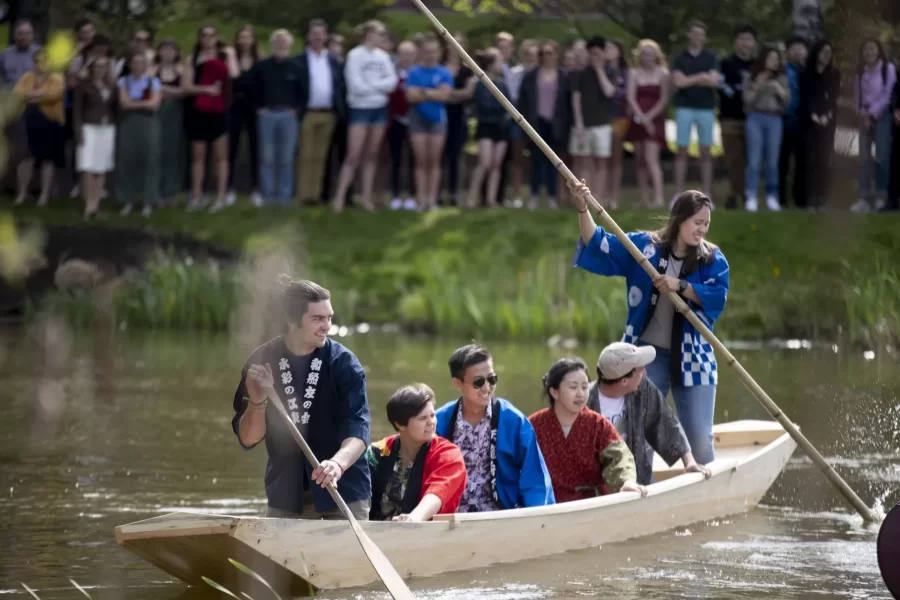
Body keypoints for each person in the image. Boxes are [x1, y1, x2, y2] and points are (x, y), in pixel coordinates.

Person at [569, 181, 729, 466]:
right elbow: (599, 243)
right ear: (679, 219)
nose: (702, 229)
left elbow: (717, 296)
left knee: (700, 443)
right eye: (697, 222)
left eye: (706, 224)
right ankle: (637, 485)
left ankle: (703, 487)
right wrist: (583, 207)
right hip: (645, 357)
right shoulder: (645, 247)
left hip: (693, 361)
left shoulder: (712, 259)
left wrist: (679, 285)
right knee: (635, 431)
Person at [232, 277, 372, 520]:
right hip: (286, 495)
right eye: (317, 319)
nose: (327, 326)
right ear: (290, 320)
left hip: (342, 492)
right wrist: (257, 402)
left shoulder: (344, 364)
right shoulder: (262, 361)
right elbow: (248, 439)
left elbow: (359, 431)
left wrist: (337, 465)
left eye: (329, 317)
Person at [435, 344, 555, 511]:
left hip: (500, 514)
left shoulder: (514, 421)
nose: (487, 387)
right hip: (450, 515)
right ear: (458, 384)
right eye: (478, 382)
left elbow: (534, 478)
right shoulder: (439, 420)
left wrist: (539, 517)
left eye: (491, 379)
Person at [587, 342, 712, 485]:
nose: (645, 372)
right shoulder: (584, 402)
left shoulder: (642, 389)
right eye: (640, 369)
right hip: (596, 485)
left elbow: (666, 421)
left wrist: (689, 462)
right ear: (624, 380)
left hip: (639, 480)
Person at [529, 357, 646, 502]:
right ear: (554, 392)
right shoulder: (533, 425)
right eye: (573, 387)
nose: (580, 394)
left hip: (591, 504)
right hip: (547, 504)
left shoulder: (598, 425)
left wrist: (626, 482)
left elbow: (619, 457)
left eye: (585, 387)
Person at [366, 383, 467, 521]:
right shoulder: (379, 450)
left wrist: (415, 517)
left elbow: (438, 492)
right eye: (423, 418)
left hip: (427, 536)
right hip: (376, 533)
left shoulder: (448, 454)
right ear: (400, 424)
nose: (431, 422)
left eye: (432, 415)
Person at [332, 20, 397, 213]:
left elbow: (392, 82)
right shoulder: (355, 55)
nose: (382, 37)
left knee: (372, 155)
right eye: (379, 33)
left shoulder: (384, 57)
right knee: (354, 155)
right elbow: (355, 86)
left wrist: (372, 86)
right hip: (360, 109)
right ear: (368, 34)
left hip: (379, 109)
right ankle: (339, 198)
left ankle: (367, 198)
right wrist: (378, 86)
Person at [182, 25, 238, 212]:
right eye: (204, 35)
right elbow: (186, 86)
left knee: (220, 157)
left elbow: (235, 75)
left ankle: (221, 197)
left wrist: (230, 55)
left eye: (211, 35)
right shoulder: (192, 59)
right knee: (198, 156)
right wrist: (206, 90)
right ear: (199, 38)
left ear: (216, 37)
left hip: (219, 111)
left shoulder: (223, 57)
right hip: (197, 111)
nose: (208, 39)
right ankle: (197, 197)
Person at [254, 29, 304, 206]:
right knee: (267, 158)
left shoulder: (296, 67)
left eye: (284, 43)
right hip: (267, 115)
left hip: (288, 116)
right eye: (277, 43)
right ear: (272, 45)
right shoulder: (262, 66)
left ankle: (284, 197)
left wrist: (296, 109)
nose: (281, 46)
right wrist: (258, 109)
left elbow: (303, 92)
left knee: (286, 158)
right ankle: (268, 196)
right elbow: (253, 90)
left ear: (289, 46)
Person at [517, 40, 570, 210]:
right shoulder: (531, 76)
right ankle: (533, 196)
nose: (547, 57)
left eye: (550, 53)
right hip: (536, 123)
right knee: (536, 161)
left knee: (554, 163)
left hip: (556, 124)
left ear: (556, 54)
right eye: (543, 53)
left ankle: (552, 197)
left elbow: (568, 103)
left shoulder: (563, 76)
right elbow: (523, 101)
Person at [671, 20, 718, 203]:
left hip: (706, 108)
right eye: (694, 33)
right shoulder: (679, 58)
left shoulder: (711, 57)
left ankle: (707, 193)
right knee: (681, 150)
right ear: (688, 35)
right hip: (684, 107)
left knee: (705, 151)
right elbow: (678, 83)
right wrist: (701, 77)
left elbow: (714, 81)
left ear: (704, 37)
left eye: (701, 34)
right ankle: (678, 194)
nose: (697, 37)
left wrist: (688, 79)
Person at [405, 35, 453, 211]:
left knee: (434, 161)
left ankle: (432, 200)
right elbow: (410, 95)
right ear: (422, 53)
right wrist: (433, 92)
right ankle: (421, 199)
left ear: (439, 53)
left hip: (438, 120)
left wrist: (423, 92)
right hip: (417, 119)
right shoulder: (414, 72)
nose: (431, 55)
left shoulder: (444, 73)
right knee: (420, 160)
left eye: (434, 51)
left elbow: (444, 96)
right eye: (427, 51)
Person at [13, 48, 64, 208]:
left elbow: (54, 94)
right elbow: (18, 94)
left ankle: (44, 195)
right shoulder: (27, 76)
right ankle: (22, 194)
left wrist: (32, 95)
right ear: (34, 62)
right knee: (26, 158)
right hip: (29, 120)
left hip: (50, 121)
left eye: (45, 61)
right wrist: (40, 94)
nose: (41, 64)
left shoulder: (57, 77)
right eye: (38, 61)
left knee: (47, 159)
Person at [742, 47, 790, 212]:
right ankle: (751, 196)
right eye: (771, 58)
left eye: (777, 58)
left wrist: (777, 87)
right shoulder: (752, 76)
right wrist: (758, 85)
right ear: (763, 59)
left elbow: (787, 100)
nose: (774, 61)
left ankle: (772, 197)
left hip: (775, 119)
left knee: (772, 162)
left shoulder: (782, 78)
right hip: (755, 117)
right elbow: (746, 100)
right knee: (754, 161)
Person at [851, 39, 896, 212]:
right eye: (866, 50)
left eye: (872, 49)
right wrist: (862, 114)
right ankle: (863, 198)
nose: (869, 52)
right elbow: (857, 96)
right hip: (864, 118)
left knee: (882, 158)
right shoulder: (860, 71)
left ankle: (880, 197)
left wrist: (872, 114)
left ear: (878, 51)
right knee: (863, 158)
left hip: (882, 116)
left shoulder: (888, 69)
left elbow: (887, 95)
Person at [114, 51, 162, 217]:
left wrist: (133, 102)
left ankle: (148, 201)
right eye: (135, 63)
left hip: (148, 124)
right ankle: (127, 200)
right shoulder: (123, 81)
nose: (138, 66)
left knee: (149, 160)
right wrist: (143, 104)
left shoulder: (153, 81)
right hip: (128, 124)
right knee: (127, 160)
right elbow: (123, 104)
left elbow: (154, 105)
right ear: (130, 65)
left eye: (142, 63)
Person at [570, 37, 615, 209]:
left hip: (602, 124)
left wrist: (599, 71)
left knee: (602, 163)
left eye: (598, 53)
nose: (595, 56)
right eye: (592, 53)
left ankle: (599, 198)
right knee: (585, 162)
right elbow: (576, 100)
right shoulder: (580, 74)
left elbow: (609, 92)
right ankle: (585, 199)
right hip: (584, 125)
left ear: (604, 53)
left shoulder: (610, 71)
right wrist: (579, 124)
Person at [625, 39, 669, 208]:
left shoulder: (663, 74)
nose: (647, 57)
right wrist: (642, 118)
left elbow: (664, 99)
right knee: (640, 160)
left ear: (656, 56)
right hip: (637, 119)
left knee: (652, 159)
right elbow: (630, 97)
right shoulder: (634, 73)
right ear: (639, 56)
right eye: (644, 54)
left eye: (651, 54)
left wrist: (649, 118)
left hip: (655, 120)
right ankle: (644, 198)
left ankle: (658, 197)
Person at [718, 25, 758, 210]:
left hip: (754, 118)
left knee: (752, 159)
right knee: (733, 159)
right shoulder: (725, 64)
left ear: (754, 42)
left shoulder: (759, 66)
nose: (745, 43)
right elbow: (720, 87)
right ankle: (735, 195)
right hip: (729, 118)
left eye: (749, 39)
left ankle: (747, 195)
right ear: (736, 42)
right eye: (741, 38)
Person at [73, 56, 116, 220]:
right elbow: (77, 110)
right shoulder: (83, 86)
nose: (100, 69)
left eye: (104, 66)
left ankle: (96, 204)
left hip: (107, 129)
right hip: (89, 128)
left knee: (101, 167)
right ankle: (88, 204)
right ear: (91, 68)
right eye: (97, 66)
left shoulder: (110, 86)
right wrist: (78, 131)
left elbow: (114, 107)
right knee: (88, 166)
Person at [466, 48, 509, 208]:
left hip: (501, 127)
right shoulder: (479, 84)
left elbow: (509, 104)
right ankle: (471, 198)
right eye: (499, 61)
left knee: (497, 164)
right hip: (486, 126)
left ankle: (492, 199)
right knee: (485, 162)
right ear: (491, 64)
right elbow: (482, 105)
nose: (501, 65)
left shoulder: (502, 84)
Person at [800, 40, 840, 210]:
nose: (826, 56)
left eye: (829, 53)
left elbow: (833, 98)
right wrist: (814, 116)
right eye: (823, 52)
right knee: (810, 160)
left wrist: (827, 116)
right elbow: (806, 97)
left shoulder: (834, 74)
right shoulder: (806, 74)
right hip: (809, 123)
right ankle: (811, 198)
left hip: (828, 122)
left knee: (824, 160)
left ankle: (823, 197)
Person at [227, 25, 261, 207]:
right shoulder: (231, 59)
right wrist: (231, 56)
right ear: (237, 40)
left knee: (256, 149)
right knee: (232, 148)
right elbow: (235, 78)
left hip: (254, 109)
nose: (245, 41)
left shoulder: (259, 60)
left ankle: (256, 188)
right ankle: (229, 188)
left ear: (253, 40)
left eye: (248, 37)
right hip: (234, 107)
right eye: (242, 37)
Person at [777, 37, 808, 210]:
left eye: (801, 48)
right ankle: (780, 200)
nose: (797, 51)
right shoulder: (782, 70)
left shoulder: (809, 71)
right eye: (794, 48)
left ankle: (800, 200)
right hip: (783, 123)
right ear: (788, 52)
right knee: (782, 163)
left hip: (803, 124)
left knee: (802, 163)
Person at [154, 39, 185, 206]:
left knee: (172, 152)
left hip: (175, 114)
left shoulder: (181, 70)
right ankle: (156, 190)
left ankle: (170, 191)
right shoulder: (153, 70)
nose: (167, 53)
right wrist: (170, 92)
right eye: (164, 50)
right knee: (156, 151)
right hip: (157, 113)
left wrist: (163, 89)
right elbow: (148, 90)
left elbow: (184, 92)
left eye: (171, 50)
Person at [387, 40, 417, 210]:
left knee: (413, 160)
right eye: (403, 54)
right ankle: (396, 195)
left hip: (414, 121)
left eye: (410, 54)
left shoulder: (418, 73)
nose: (406, 57)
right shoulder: (392, 72)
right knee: (396, 159)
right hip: (396, 120)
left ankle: (412, 195)